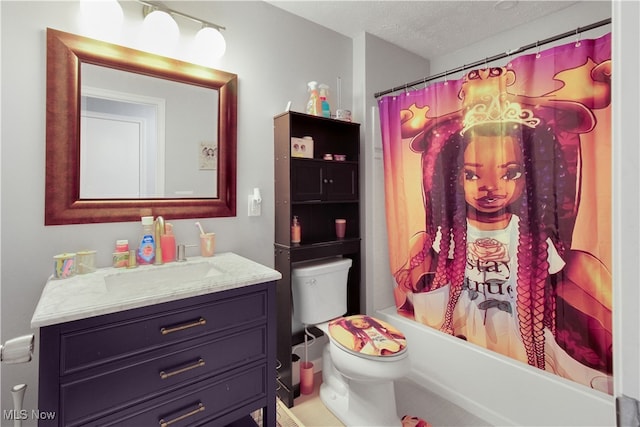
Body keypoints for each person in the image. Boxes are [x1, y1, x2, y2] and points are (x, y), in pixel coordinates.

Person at [394, 67, 612, 391]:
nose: (490, 187)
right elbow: (409, 284)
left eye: (509, 174)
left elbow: (577, 279)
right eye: (472, 175)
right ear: (453, 179)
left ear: (530, 178)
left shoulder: (534, 239)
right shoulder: (440, 238)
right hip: (463, 332)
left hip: (521, 340)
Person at [329, 315, 407, 356]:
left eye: (364, 322)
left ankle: (390, 354)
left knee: (391, 345)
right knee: (381, 348)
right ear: (353, 326)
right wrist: (356, 350)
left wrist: (399, 337)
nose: (362, 325)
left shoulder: (377, 327)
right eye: (356, 324)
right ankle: (387, 355)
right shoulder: (359, 333)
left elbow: (388, 333)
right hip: (372, 345)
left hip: (384, 340)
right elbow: (358, 341)